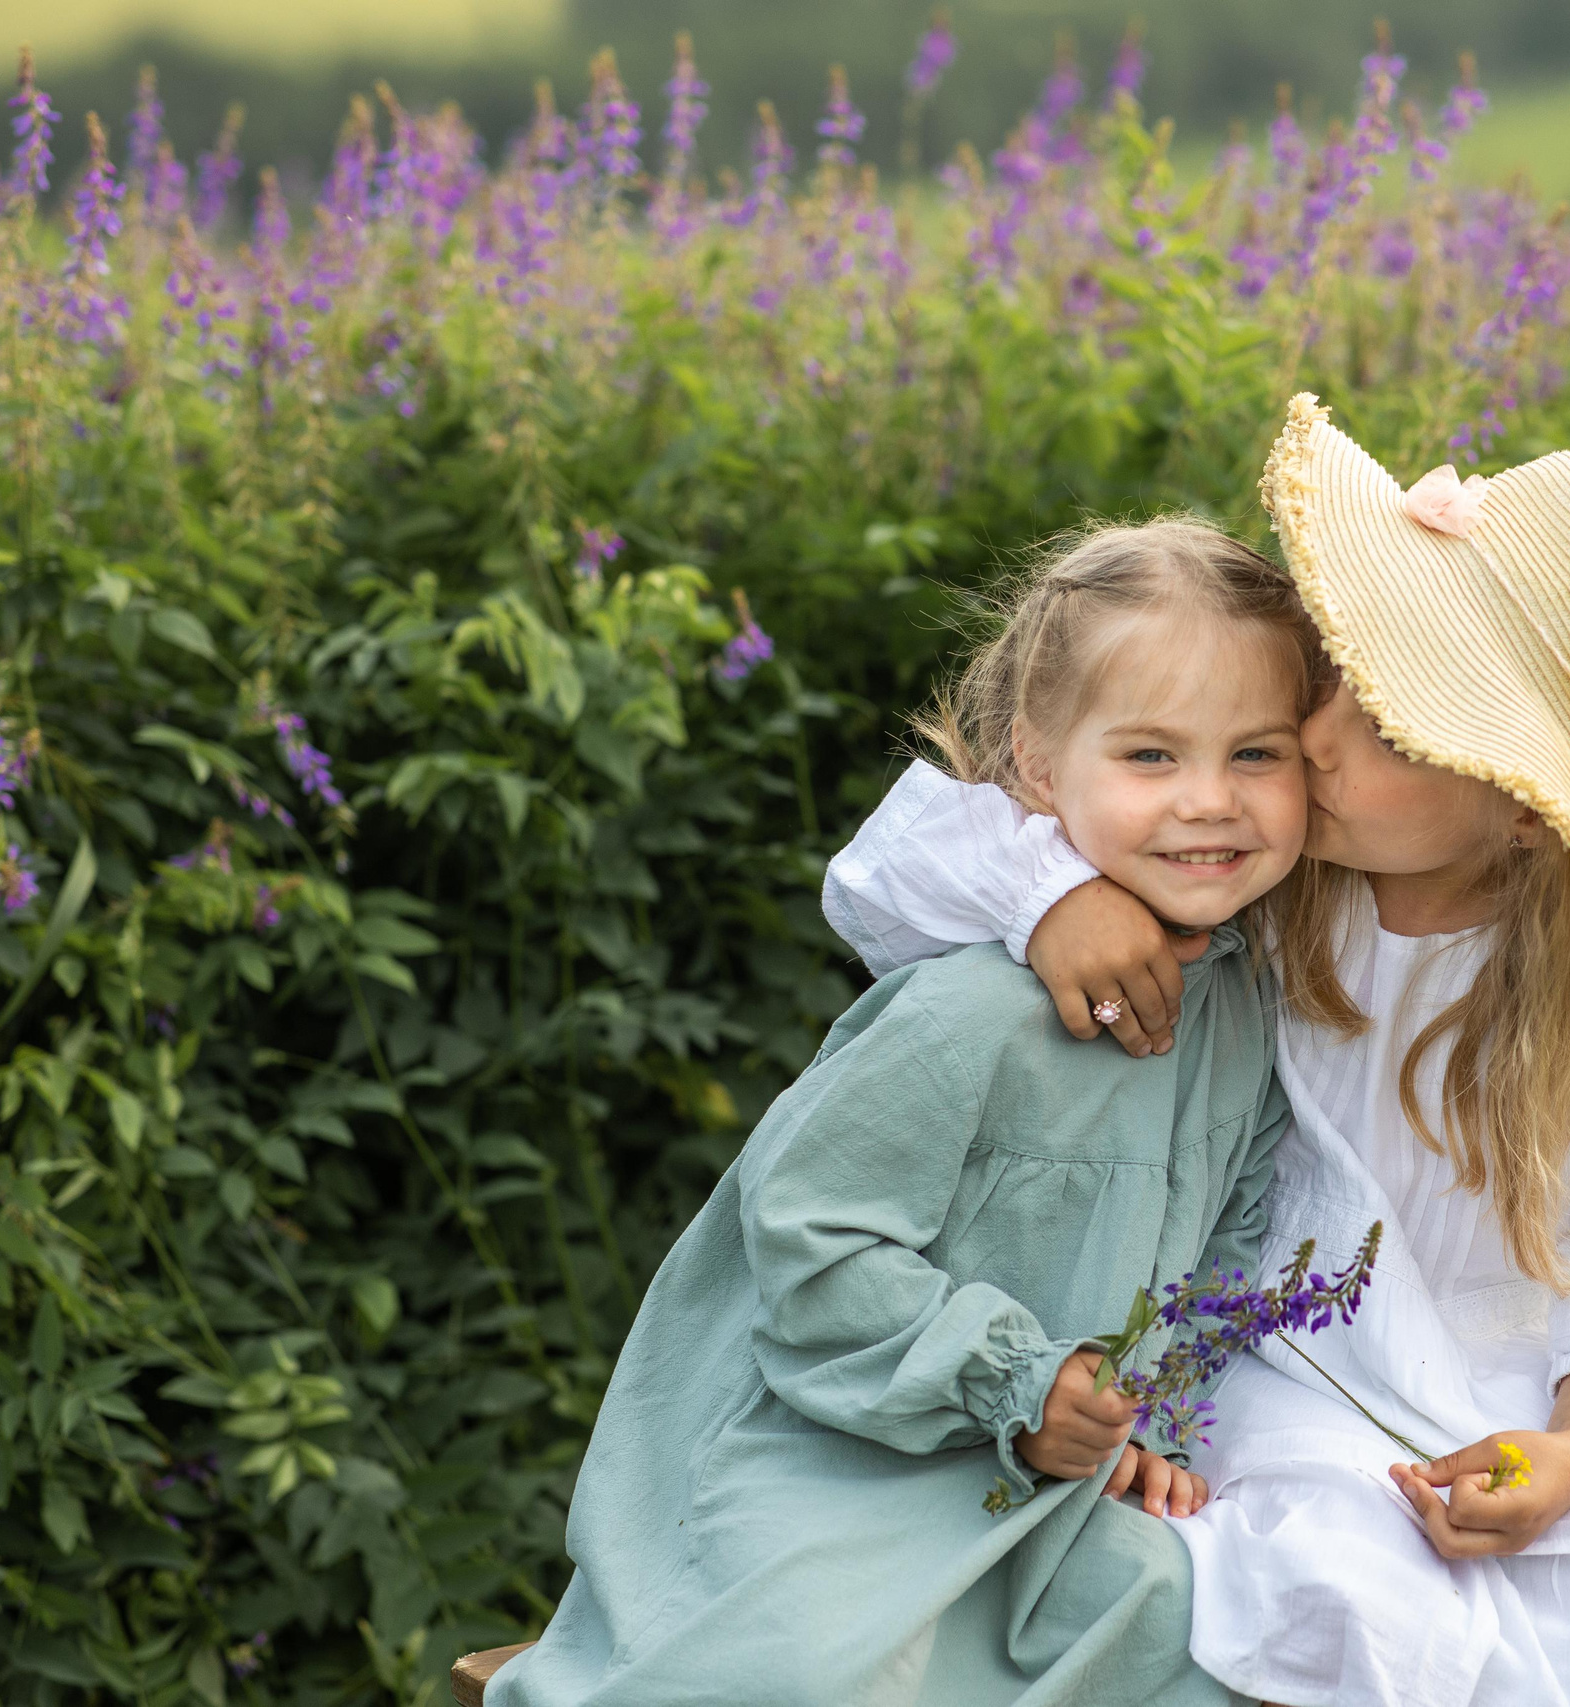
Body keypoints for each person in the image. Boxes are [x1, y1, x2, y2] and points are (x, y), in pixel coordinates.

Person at [819, 394, 1570, 1706]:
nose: (1321, 733)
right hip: (1270, 1351)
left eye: (1399, 727)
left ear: (1527, 815)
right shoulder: (1255, 877)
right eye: (1340, 670)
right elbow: (898, 862)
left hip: (1518, 1374)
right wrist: (1050, 897)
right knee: (1347, 1576)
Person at [490, 520, 1320, 1707]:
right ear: (1040, 767)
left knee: (1205, 1631)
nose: (1209, 801)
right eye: (1148, 756)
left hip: (1046, 1477)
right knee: (807, 1677)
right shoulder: (970, 1014)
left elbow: (1231, 1235)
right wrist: (1015, 1383)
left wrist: (1150, 1421)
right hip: (847, 1448)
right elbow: (811, 1246)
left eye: (1257, 754)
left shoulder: (1240, 1005)